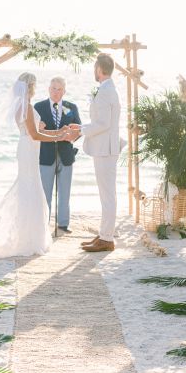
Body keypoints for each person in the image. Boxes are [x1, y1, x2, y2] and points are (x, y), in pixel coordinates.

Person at [0, 72, 70, 258]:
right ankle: (28, 238)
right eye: (34, 85)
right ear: (30, 86)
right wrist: (59, 136)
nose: (35, 89)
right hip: (29, 147)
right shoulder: (26, 106)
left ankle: (28, 235)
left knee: (29, 188)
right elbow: (34, 134)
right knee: (29, 188)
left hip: (28, 147)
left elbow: (35, 131)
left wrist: (56, 132)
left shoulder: (22, 105)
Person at [68, 53, 121, 252]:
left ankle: (107, 238)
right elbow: (102, 121)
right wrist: (81, 126)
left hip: (106, 149)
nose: (93, 71)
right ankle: (104, 235)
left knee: (107, 195)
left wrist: (81, 130)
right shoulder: (107, 89)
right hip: (104, 148)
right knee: (105, 193)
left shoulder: (106, 91)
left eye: (94, 67)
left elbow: (104, 123)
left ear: (99, 69)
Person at [35, 76, 81, 233]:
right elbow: (34, 130)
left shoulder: (71, 107)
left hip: (66, 155)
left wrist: (73, 135)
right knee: (45, 192)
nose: (56, 92)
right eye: (53, 88)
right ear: (48, 89)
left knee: (65, 192)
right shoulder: (38, 107)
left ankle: (63, 224)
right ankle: (43, 224)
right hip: (45, 155)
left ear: (64, 91)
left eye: (59, 89)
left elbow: (79, 129)